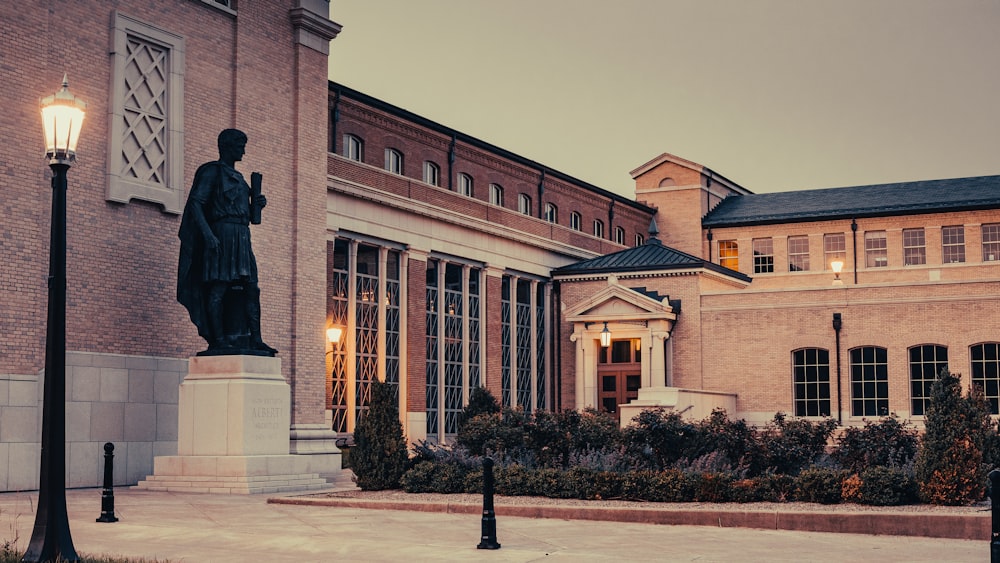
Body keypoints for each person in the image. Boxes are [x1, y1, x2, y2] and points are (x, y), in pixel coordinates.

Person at [177, 129, 277, 355]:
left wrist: (258, 204)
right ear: (227, 146)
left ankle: (256, 339)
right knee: (219, 287)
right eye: (240, 146)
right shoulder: (212, 171)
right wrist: (208, 235)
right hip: (221, 235)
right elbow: (196, 204)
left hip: (242, 236)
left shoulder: (241, 180)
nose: (243, 150)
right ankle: (218, 339)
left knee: (252, 288)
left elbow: (252, 218)